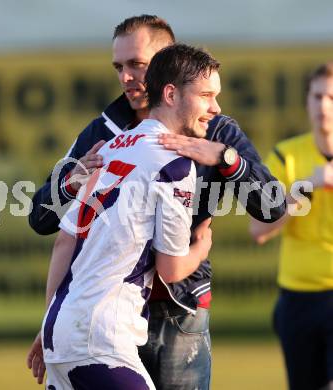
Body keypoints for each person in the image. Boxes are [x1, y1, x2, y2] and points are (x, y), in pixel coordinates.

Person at [28, 15, 286, 389]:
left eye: (137, 64)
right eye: (119, 66)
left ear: (169, 64)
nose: (126, 77)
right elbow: (42, 218)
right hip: (104, 309)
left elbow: (271, 207)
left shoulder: (213, 128)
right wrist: (71, 181)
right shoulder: (106, 133)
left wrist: (226, 159)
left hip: (176, 309)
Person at [40, 43, 219, 390]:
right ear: (170, 94)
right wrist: (202, 246)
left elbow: (63, 242)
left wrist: (50, 322)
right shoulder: (175, 163)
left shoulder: (108, 148)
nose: (216, 107)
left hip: (59, 331)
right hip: (102, 337)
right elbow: (171, 269)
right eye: (207, 95)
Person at [249, 62, 333, 390]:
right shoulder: (286, 156)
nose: (323, 105)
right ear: (307, 101)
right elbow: (258, 230)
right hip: (298, 298)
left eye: (330, 97)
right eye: (316, 96)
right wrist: (305, 188)